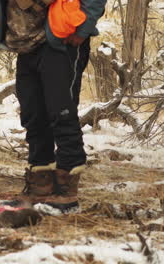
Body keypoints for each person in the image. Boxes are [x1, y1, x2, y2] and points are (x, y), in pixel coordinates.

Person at [15, 0, 107, 212]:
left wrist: (84, 29)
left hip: (64, 42)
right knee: (33, 112)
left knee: (61, 112)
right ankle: (40, 186)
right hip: (28, 41)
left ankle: (66, 192)